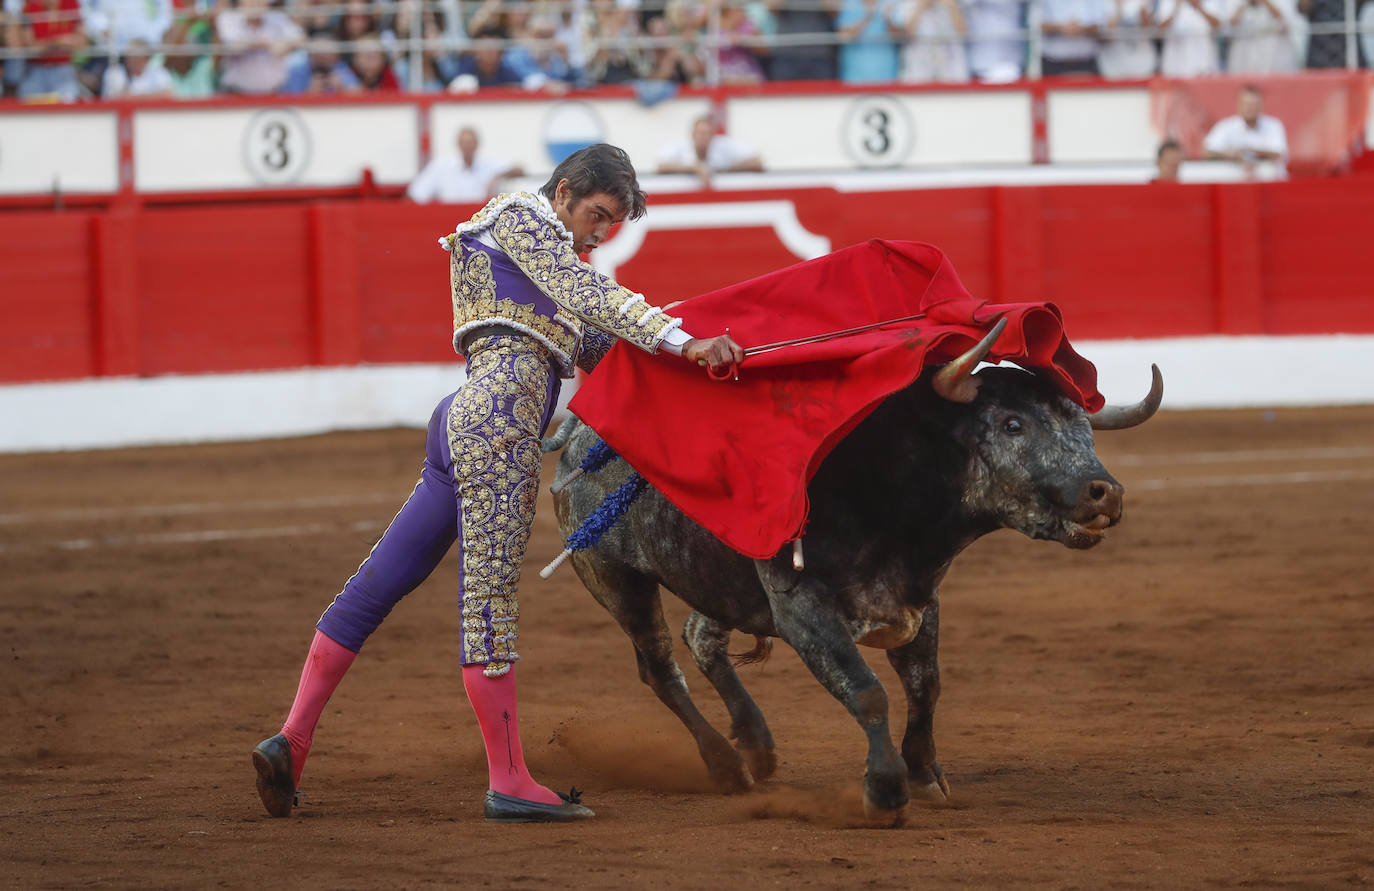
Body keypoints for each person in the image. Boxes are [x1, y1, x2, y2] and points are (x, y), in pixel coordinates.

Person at [252, 144, 745, 824]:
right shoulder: (522, 215)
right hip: (499, 426)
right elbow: (589, 294)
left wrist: (698, 348)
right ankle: (508, 778)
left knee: (380, 580)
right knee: (487, 599)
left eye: (612, 226)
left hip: (467, 422)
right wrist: (678, 335)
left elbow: (603, 344)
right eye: (598, 215)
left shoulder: (545, 265)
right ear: (566, 189)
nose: (600, 234)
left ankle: (292, 739)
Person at [407, 126, 523, 204]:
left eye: (470, 143)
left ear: (477, 144)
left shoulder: (489, 165)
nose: (468, 146)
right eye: (465, 143)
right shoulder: (441, 167)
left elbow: (519, 170)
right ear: (458, 144)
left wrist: (498, 177)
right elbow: (416, 195)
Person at [216, 0, 306, 94]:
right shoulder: (229, 18)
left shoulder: (278, 17)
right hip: (235, 94)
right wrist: (269, 44)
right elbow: (233, 45)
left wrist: (287, 46)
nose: (256, 3)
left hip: (274, 93)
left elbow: (300, 39)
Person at [1202, 84, 1288, 175]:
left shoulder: (1273, 125)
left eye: (1254, 105)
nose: (1250, 108)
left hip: (1271, 182)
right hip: (1235, 183)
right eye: (1247, 104)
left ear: (1261, 105)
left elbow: (1278, 153)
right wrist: (1230, 155)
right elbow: (1207, 152)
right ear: (1239, 105)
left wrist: (1245, 152)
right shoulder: (1226, 127)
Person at [657, 115, 764, 183]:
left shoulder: (723, 144)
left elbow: (757, 162)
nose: (703, 137)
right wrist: (694, 168)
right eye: (700, 133)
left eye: (707, 133)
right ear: (693, 134)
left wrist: (726, 170)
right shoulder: (681, 146)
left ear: (713, 135)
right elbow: (661, 166)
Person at [17, 0, 85, 101]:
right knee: (29, 105)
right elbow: (29, 46)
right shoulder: (30, 6)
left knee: (68, 104)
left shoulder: (71, 4)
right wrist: (57, 42)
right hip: (35, 70)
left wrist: (46, 44)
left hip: (63, 70)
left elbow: (81, 42)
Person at [893, 0, 970, 83]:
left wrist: (951, 6)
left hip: (950, 72)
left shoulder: (953, 4)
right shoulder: (908, 5)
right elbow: (906, 36)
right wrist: (920, 6)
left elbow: (963, 34)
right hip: (918, 72)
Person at [835, 0, 900, 83]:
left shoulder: (889, 3)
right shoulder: (849, 4)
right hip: (854, 76)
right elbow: (844, 36)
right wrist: (868, 17)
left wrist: (888, 20)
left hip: (886, 74)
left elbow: (899, 36)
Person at [1226, 0, 1300, 72]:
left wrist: (1265, 2)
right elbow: (1230, 23)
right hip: (1245, 49)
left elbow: (1287, 22)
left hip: (1274, 47)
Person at [1155, 0, 1222, 76]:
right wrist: (1176, 7)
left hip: (1203, 60)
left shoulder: (1209, 2)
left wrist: (1199, 6)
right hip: (1176, 62)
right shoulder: (1169, 2)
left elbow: (1218, 24)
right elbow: (1160, 27)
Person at [1039, 0, 1106, 75]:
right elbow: (1037, 25)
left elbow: (1102, 25)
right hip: (1053, 64)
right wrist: (1061, 28)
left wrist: (1081, 29)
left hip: (1087, 63)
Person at [101, 37, 174, 97]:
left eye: (137, 57)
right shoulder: (114, 72)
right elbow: (117, 98)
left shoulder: (159, 72)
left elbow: (168, 95)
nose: (132, 60)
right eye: (130, 56)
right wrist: (153, 96)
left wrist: (133, 96)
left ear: (147, 59)